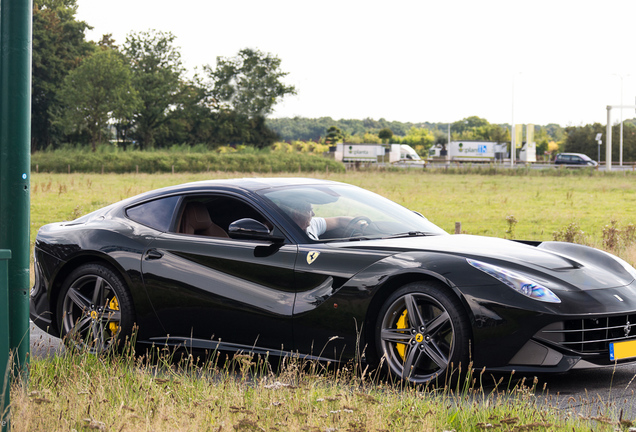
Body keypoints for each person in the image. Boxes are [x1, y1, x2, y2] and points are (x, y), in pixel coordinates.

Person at [283, 200, 358, 240]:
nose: (313, 214)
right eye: (309, 210)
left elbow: (339, 221)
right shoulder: (283, 231)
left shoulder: (312, 224)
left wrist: (362, 226)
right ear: (297, 213)